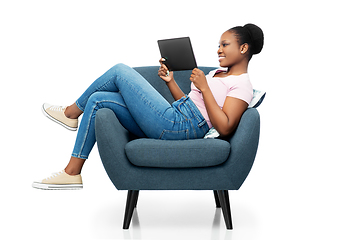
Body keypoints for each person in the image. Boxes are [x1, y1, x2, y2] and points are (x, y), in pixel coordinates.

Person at [32, 23, 264, 190]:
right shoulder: (216, 73)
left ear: (243, 49)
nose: (218, 49)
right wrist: (170, 81)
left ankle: (70, 113)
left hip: (184, 127)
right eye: (218, 45)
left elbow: (224, 126)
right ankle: (72, 172)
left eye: (225, 44)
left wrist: (204, 87)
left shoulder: (242, 84)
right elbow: (189, 104)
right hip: (177, 117)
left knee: (120, 70)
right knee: (98, 99)